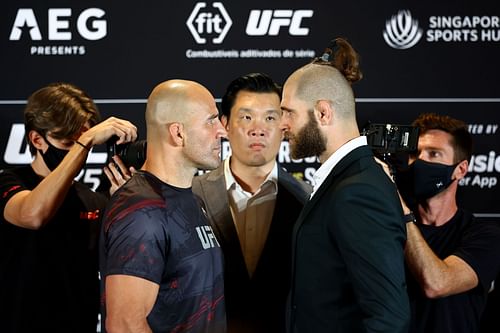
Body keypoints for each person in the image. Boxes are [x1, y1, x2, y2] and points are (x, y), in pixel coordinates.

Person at [279, 37, 410, 332]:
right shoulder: (346, 179)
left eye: (289, 112)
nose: (281, 124)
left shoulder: (357, 192)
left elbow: (389, 318)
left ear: (323, 112)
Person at [0, 82, 138, 333]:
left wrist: (124, 207)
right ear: (37, 140)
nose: (80, 153)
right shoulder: (8, 182)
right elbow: (33, 215)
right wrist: (85, 141)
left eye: (83, 142)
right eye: (68, 143)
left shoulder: (95, 200)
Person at [100, 79, 228, 333]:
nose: (222, 131)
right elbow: (125, 325)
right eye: (211, 121)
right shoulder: (141, 213)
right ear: (178, 133)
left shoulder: (189, 199)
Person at [192, 73, 311, 333]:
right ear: (224, 124)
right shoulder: (191, 195)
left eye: (270, 117)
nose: (258, 128)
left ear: (284, 126)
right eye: (246, 117)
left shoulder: (310, 200)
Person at [392, 113, 500, 333]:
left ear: (460, 169)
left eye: (434, 154)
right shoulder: (387, 229)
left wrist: (398, 206)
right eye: (415, 153)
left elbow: (437, 283)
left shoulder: (483, 235)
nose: (420, 161)